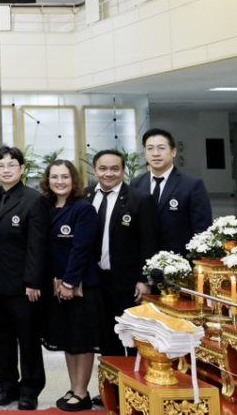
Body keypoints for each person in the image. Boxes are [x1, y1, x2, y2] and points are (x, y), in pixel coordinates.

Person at [0, 146, 48, 411]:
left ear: (22, 169)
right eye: (1, 165)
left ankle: (30, 389)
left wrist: (33, 281)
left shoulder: (34, 200)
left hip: (23, 284)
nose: (6, 170)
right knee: (0, 337)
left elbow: (37, 245)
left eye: (12, 165)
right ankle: (7, 385)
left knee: (28, 338)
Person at [40, 160, 100, 413]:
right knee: (67, 340)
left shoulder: (83, 209)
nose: (59, 181)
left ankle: (82, 392)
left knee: (82, 340)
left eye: (64, 177)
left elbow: (81, 249)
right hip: (56, 286)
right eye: (54, 177)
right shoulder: (47, 207)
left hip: (78, 285)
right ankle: (73, 387)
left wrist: (69, 282)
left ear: (73, 180)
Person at [87, 149, 158, 358]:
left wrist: (144, 279)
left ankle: (132, 380)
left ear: (123, 170)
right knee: (106, 339)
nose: (108, 173)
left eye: (114, 169)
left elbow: (150, 243)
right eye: (103, 168)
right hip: (95, 281)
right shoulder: (85, 196)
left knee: (133, 341)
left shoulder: (140, 200)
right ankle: (111, 380)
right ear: (95, 170)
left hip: (128, 284)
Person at [131, 128, 212, 255]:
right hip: (144, 259)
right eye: (150, 148)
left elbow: (202, 229)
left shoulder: (192, 185)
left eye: (161, 148)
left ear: (173, 152)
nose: (155, 153)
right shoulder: (136, 184)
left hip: (179, 259)